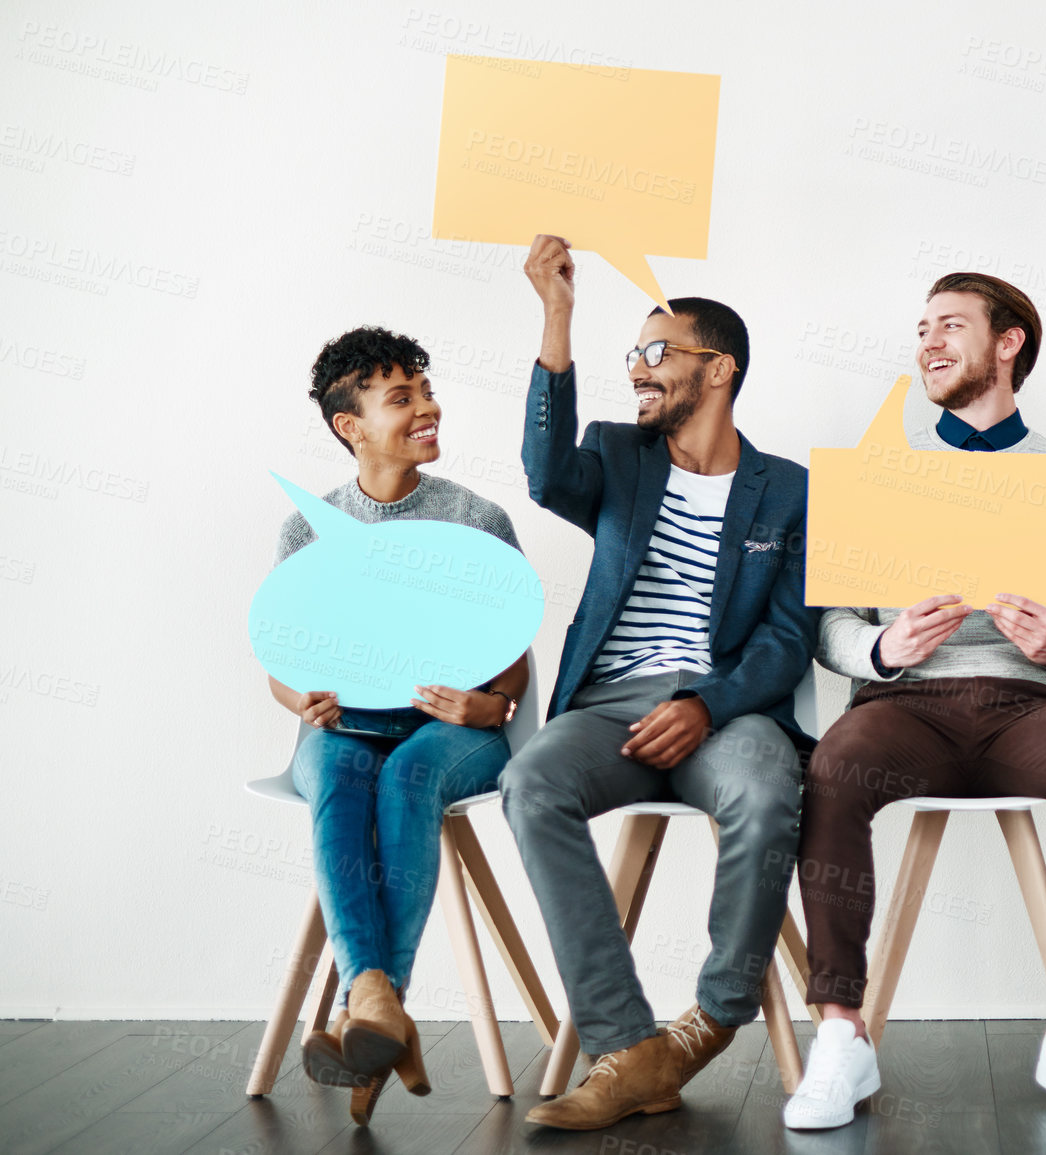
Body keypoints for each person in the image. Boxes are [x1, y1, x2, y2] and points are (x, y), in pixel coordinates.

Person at [785, 272, 1046, 1131]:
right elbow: (828, 620)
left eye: (950, 325)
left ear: (1009, 342)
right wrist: (880, 647)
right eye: (921, 329)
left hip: (1037, 706)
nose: (928, 344)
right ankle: (841, 1034)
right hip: (905, 702)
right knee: (831, 765)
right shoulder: (884, 473)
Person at [500, 235, 819, 1132]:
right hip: (608, 704)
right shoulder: (616, 454)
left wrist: (707, 703)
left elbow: (789, 636)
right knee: (529, 783)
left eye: (655, 353)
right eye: (632, 353)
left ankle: (712, 1017)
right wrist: (557, 315)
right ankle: (626, 1042)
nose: (637, 370)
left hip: (726, 707)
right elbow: (543, 471)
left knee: (766, 787)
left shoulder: (789, 490)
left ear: (716, 369)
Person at [267, 325, 530, 1125]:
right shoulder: (308, 527)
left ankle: (371, 1006)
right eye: (402, 397)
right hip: (345, 724)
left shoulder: (474, 516)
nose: (428, 407)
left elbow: (512, 651)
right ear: (351, 425)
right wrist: (300, 699)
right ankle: (379, 1007)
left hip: (452, 730)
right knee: (343, 779)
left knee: (409, 776)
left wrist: (497, 704)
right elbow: (280, 658)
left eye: (425, 388)